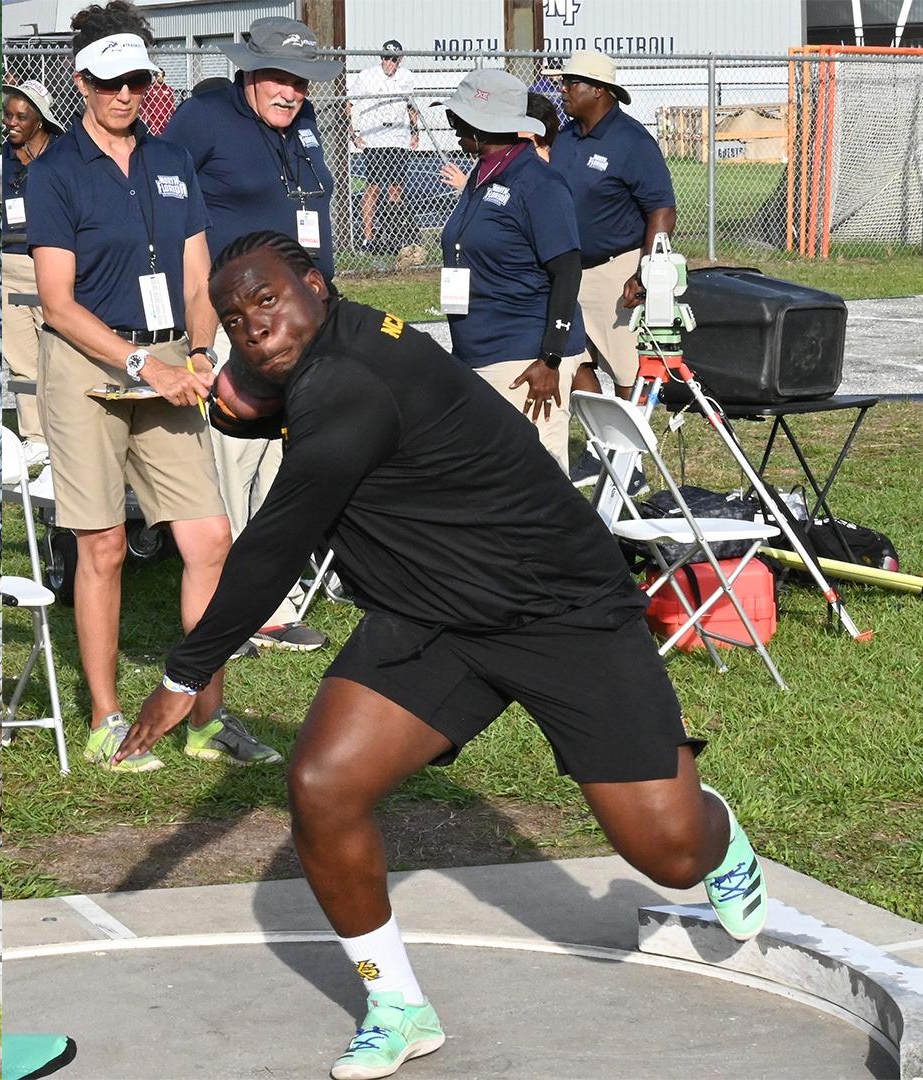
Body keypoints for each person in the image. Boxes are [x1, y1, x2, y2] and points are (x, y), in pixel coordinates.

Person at [118, 231, 768, 1078]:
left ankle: (716, 833)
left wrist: (183, 673)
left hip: (557, 609)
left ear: (318, 285)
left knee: (668, 853)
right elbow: (250, 398)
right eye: (236, 321)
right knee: (322, 783)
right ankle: (396, 1007)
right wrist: (242, 395)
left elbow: (273, 548)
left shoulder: (347, 385)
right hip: (429, 617)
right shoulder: (335, 346)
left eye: (269, 301)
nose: (256, 328)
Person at [26, 1, 278, 772]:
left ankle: (209, 717)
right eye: (109, 83)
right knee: (101, 546)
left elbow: (198, 273)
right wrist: (146, 367)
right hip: (90, 368)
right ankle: (106, 719)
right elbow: (59, 304)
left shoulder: (172, 164)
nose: (124, 95)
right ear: (80, 83)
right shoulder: (54, 173)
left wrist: (201, 353)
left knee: (210, 540)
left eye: (136, 80)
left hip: (171, 361)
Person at [165, 15, 342, 654]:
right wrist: (199, 327)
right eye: (280, 78)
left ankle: (274, 603)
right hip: (234, 320)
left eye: (302, 81)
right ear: (248, 72)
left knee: (282, 465)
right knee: (229, 460)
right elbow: (168, 208)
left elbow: (312, 210)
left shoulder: (305, 125)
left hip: (300, 326)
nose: (292, 92)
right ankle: (227, 608)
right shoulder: (205, 118)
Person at [436, 69, 588, 468]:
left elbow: (567, 270)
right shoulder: (485, 173)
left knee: (535, 479)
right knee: (488, 478)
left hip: (524, 359)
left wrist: (550, 360)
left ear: (484, 126)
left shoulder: (538, 182)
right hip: (479, 353)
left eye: (458, 121)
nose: (453, 129)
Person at [546, 49, 677, 472]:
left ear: (599, 90)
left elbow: (660, 209)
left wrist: (646, 271)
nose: (562, 89)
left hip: (616, 267)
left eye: (571, 83)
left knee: (625, 368)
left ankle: (629, 464)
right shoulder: (566, 137)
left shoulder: (633, 142)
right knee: (573, 360)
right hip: (568, 270)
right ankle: (603, 443)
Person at [0, 79, 63, 442]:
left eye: (22, 116)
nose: (12, 122)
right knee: (23, 362)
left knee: (56, 360)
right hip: (9, 267)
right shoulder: (0, 161)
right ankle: (35, 440)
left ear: (40, 120)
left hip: (48, 265)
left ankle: (64, 436)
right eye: (8, 115)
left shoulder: (62, 157)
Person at [346, 40, 421, 256]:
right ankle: (368, 238)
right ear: (381, 58)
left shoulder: (406, 77)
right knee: (373, 188)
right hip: (375, 138)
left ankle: (393, 234)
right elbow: (348, 104)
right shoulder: (367, 76)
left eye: (394, 59)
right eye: (386, 58)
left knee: (396, 188)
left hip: (398, 137)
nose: (390, 63)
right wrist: (354, 135)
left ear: (400, 60)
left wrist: (415, 133)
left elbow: (410, 106)